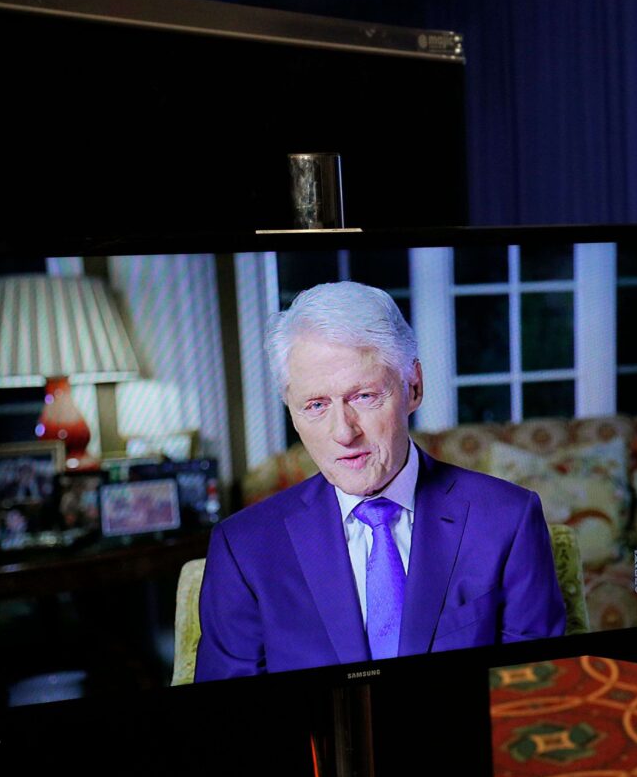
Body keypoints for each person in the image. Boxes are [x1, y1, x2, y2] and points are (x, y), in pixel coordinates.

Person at [195, 282, 565, 681]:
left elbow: (534, 695)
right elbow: (228, 719)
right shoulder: (244, 548)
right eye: (316, 405)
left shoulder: (507, 519)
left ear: (414, 387)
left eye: (364, 397)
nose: (343, 432)